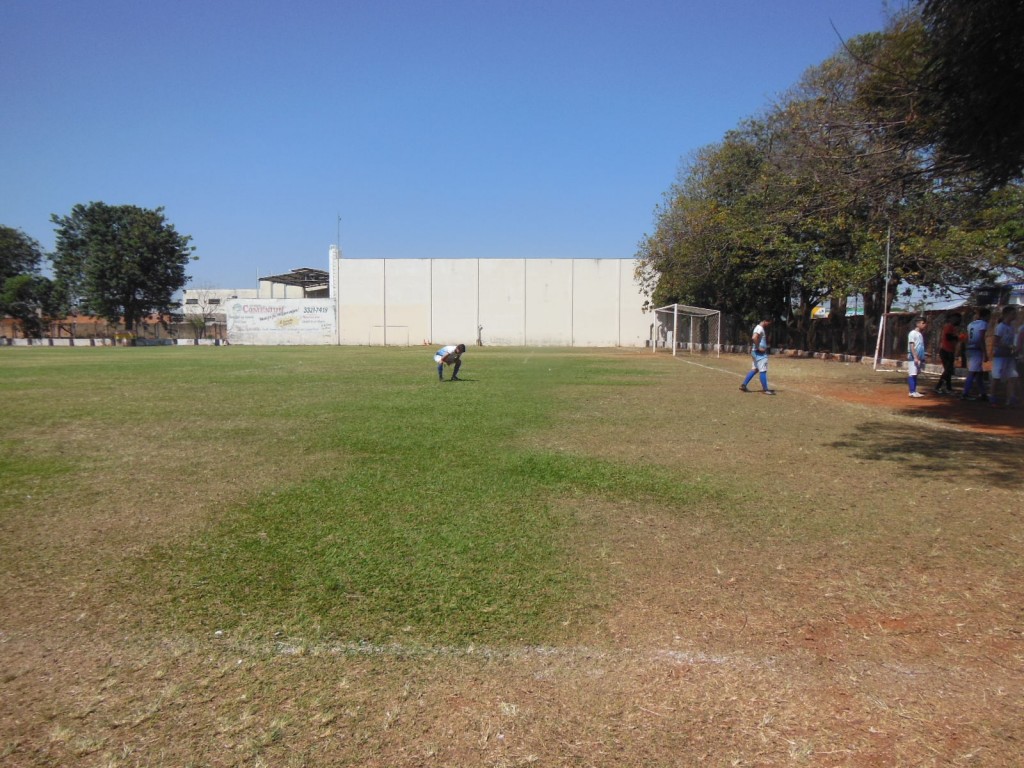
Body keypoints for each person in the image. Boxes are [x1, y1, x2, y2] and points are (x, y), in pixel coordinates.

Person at [990, 305, 1019, 408]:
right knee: (997, 377)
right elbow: (996, 342)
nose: (1015, 315)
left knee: (1012, 377)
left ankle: (1010, 398)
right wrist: (1008, 346)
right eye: (1013, 313)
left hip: (1009, 355)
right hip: (1000, 356)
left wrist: (1013, 348)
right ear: (1007, 314)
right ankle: (992, 397)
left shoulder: (1011, 327)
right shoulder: (1000, 327)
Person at [739, 317, 775, 395]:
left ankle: (744, 385)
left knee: (755, 369)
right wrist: (759, 347)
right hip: (759, 353)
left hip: (755, 352)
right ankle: (765, 390)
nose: (769, 324)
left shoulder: (758, 328)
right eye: (769, 323)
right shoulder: (759, 328)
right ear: (765, 321)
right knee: (763, 370)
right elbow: (754, 337)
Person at [961, 308, 991, 401]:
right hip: (976, 349)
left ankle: (983, 393)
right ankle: (965, 393)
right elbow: (981, 338)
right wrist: (985, 352)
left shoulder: (971, 324)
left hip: (970, 348)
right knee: (973, 372)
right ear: (985, 316)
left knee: (979, 373)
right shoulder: (983, 324)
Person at [935, 312, 961, 394]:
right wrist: (958, 337)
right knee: (947, 370)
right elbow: (948, 337)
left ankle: (948, 388)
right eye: (956, 319)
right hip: (946, 351)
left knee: (949, 371)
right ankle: (938, 387)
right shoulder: (949, 327)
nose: (958, 321)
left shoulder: (953, 328)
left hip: (950, 351)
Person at [906, 316, 928, 398]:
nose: (924, 325)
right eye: (923, 323)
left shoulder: (919, 334)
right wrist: (915, 357)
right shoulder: (912, 333)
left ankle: (914, 391)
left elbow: (919, 346)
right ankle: (911, 392)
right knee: (912, 373)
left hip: (918, 357)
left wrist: (923, 354)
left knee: (915, 374)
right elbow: (911, 345)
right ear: (917, 323)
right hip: (913, 357)